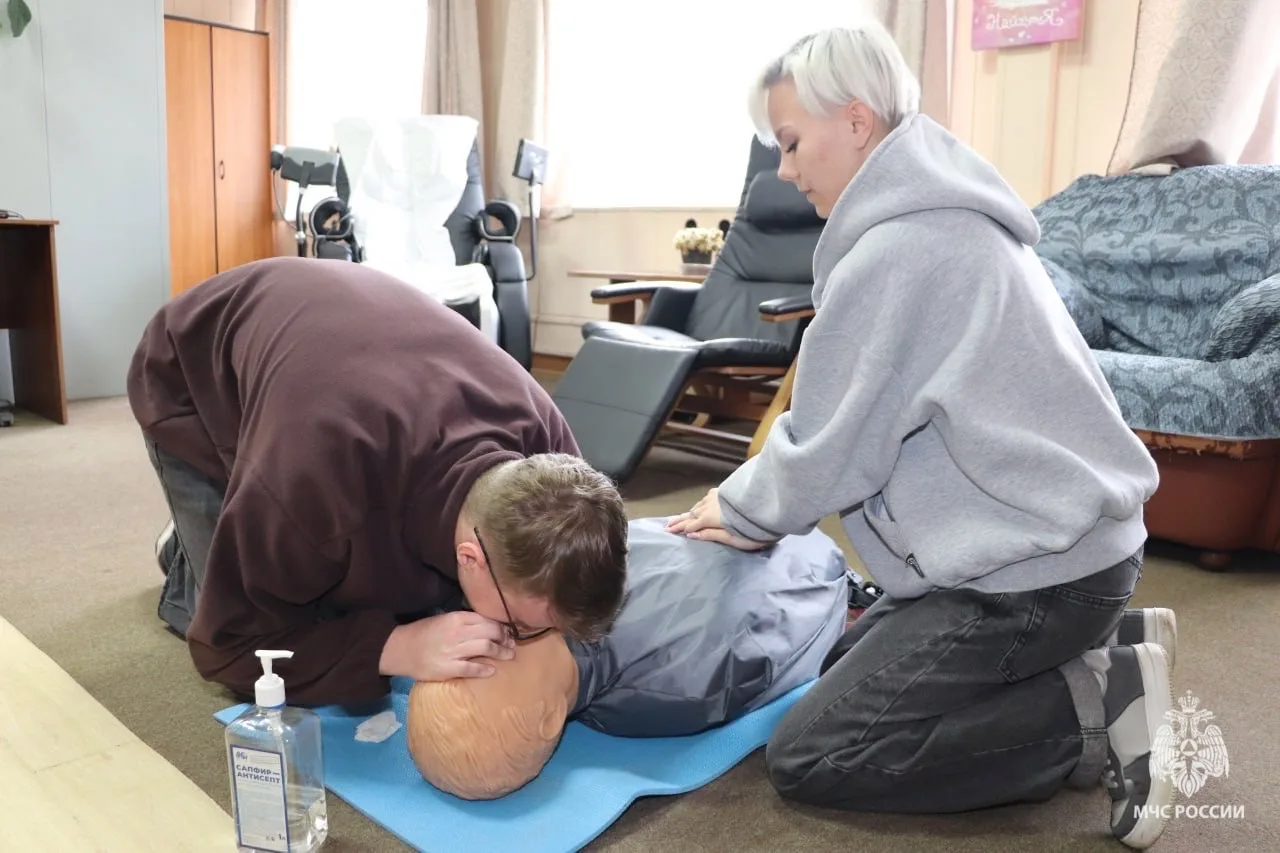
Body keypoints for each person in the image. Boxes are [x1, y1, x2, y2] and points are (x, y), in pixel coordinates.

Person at [665, 22, 1178, 851]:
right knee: (839, 674)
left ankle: (1094, 706)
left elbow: (831, 449)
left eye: (790, 144)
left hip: (1039, 573)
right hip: (1071, 548)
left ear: (856, 120)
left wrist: (739, 508)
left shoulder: (899, 251)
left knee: (816, 750)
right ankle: (1109, 648)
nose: (784, 170)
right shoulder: (945, 216)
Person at [129, 256, 629, 706]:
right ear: (470, 558)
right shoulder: (307, 483)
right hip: (192, 373)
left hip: (335, 343)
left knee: (388, 597)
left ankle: (244, 547)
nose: (523, 639)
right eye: (520, 626)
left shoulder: (554, 455)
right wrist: (397, 647)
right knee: (245, 621)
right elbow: (229, 648)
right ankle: (191, 555)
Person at [404, 516, 851, 799]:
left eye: (455, 659)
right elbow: (776, 634)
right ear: (549, 719)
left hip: (759, 521)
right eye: (482, 670)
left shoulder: (537, 593)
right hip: (803, 566)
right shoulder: (667, 691)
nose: (476, 643)